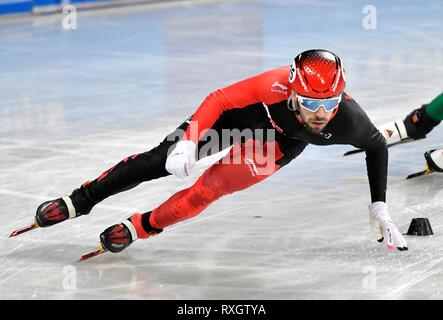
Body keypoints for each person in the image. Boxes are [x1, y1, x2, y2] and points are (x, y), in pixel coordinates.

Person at [32, 49, 408, 254]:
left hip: (277, 143)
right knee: (160, 161)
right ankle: (83, 198)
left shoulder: (350, 120)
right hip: (242, 118)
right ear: (292, 91)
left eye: (331, 102)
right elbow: (219, 99)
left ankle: (143, 226)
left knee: (211, 188)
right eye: (310, 101)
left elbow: (377, 148)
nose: (322, 114)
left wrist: (380, 205)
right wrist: (188, 141)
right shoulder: (272, 85)